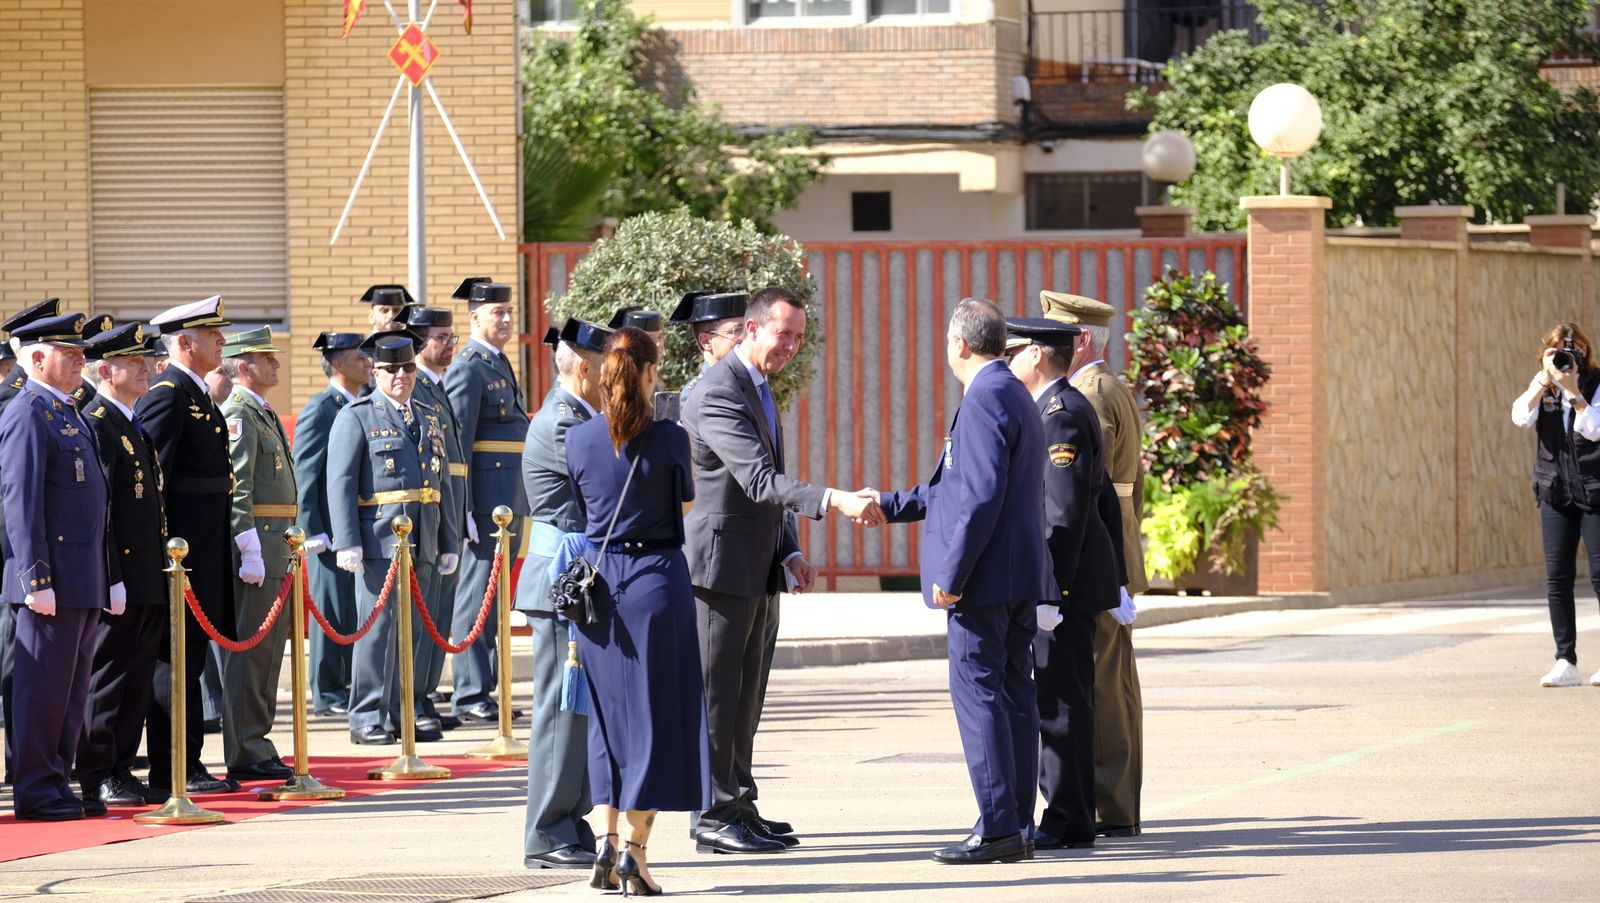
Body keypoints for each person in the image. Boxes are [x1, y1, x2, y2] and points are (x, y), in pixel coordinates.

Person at [680, 286, 882, 854]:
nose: (790, 346)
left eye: (798, 336)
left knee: (748, 693)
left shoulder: (759, 386)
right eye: (782, 334)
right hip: (719, 569)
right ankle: (713, 814)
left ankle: (739, 802)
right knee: (720, 695)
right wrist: (836, 500)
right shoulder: (718, 391)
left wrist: (790, 549)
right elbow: (758, 481)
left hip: (757, 563)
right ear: (750, 329)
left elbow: (768, 479)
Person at [872, 297, 1056, 864]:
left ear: (959, 344)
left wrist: (951, 575)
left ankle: (1000, 825)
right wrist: (885, 504)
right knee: (1015, 695)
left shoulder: (985, 398)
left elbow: (977, 500)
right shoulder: (1012, 392)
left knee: (981, 698)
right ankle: (1016, 823)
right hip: (1016, 574)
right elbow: (953, 489)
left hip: (984, 580)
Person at [566, 326, 712, 896]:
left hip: (599, 588)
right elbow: (687, 501)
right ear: (650, 374)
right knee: (653, 721)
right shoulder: (672, 437)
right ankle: (635, 854)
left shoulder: (577, 440)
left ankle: (603, 845)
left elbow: (583, 511)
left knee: (606, 719)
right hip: (655, 583)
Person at [1004, 317, 1126, 851]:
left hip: (1065, 585)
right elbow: (1103, 506)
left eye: (1012, 354)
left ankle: (1066, 816)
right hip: (1076, 580)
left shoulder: (1061, 415)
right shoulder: (1058, 409)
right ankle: (1071, 814)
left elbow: (1067, 514)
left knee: (1060, 703)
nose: (1007, 364)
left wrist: (1050, 591)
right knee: (1066, 698)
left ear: (1034, 355)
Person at [1, 311, 120, 820]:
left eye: (80, 352)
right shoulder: (27, 412)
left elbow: (98, 505)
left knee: (71, 695)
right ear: (35, 358)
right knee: (41, 694)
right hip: (49, 583)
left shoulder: (68, 412)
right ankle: (35, 788)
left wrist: (108, 574)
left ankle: (58, 779)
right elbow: (19, 501)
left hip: (82, 578)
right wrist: (34, 578)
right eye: (68, 353)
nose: (80, 360)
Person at [1040, 289, 1145, 838]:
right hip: (1114, 544)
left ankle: (1111, 803)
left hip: (1098, 549)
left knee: (1099, 683)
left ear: (1079, 341)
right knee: (1112, 679)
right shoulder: (1106, 387)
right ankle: (1117, 802)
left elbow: (1081, 491)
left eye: (1054, 336)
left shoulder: (1086, 394)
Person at [328, 334, 460, 745]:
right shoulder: (357, 415)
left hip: (424, 535)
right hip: (379, 539)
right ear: (376, 371)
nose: (401, 376)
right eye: (390, 369)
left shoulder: (427, 415)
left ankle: (402, 710)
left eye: (407, 368)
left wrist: (450, 539)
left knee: (415, 632)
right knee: (378, 630)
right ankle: (367, 714)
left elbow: (441, 483)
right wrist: (346, 540)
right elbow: (341, 482)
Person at [518, 317, 609, 871]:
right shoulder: (563, 420)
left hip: (578, 578)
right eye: (606, 367)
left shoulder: (581, 414)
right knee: (559, 710)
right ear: (584, 366)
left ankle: (570, 825)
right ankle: (546, 834)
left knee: (579, 712)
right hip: (563, 580)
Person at [138, 294, 238, 796]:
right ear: (184, 342)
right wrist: (163, 555)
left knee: (191, 662)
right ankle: (171, 768)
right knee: (173, 663)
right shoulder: (168, 394)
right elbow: (153, 484)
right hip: (180, 557)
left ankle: (188, 762)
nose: (223, 340)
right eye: (212, 334)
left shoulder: (196, 395)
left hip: (201, 550)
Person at [77, 322, 169, 808]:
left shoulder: (129, 420)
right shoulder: (96, 421)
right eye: (135, 362)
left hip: (147, 572)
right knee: (108, 678)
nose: (146, 368)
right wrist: (111, 574)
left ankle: (122, 768)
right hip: (121, 575)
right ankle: (95, 774)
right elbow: (104, 513)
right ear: (106, 370)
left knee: (136, 680)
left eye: (146, 360)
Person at [216, 326, 298, 783]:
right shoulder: (240, 414)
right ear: (244, 365)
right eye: (267, 358)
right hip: (259, 545)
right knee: (251, 653)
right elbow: (239, 488)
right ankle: (245, 748)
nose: (277, 364)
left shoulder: (259, 411)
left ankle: (257, 741)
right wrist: (246, 545)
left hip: (277, 542)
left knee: (268, 653)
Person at [445, 279, 526, 723]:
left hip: (506, 501)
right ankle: (470, 691)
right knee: (475, 598)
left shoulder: (497, 361)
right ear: (474, 317)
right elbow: (459, 445)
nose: (508, 319)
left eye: (510, 310)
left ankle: (484, 687)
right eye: (498, 312)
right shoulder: (469, 367)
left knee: (494, 598)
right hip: (484, 506)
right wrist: (464, 511)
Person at [1512, 322, 1600, 687]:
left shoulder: (1595, 384)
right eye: (1559, 351)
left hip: (1595, 491)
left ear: (1585, 352)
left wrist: (1574, 392)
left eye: (1574, 350)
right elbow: (1520, 416)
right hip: (1555, 489)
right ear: (1545, 354)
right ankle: (1565, 660)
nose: (1567, 357)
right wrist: (1543, 381)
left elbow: (1593, 429)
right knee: (1557, 578)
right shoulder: (1543, 384)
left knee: (1599, 576)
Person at [0, 297, 65, 783]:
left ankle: (31, 766)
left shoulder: (48, 401)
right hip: (15, 555)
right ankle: (27, 769)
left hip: (25, 552)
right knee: (19, 669)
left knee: (28, 672)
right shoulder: (19, 402)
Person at [294, 332, 370, 716]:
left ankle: (349, 683)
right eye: (359, 356)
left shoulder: (365, 404)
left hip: (356, 526)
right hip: (328, 530)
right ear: (338, 364)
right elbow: (306, 472)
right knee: (331, 610)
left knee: (353, 611)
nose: (368, 362)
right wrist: (311, 527)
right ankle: (327, 691)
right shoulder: (322, 408)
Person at [403, 307, 466, 733]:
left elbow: (454, 460)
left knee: (439, 614)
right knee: (423, 617)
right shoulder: (417, 387)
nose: (448, 345)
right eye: (440, 337)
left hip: (447, 511)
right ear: (420, 344)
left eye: (450, 336)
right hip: (426, 514)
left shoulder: (438, 387)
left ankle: (423, 695)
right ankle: (414, 699)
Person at [668, 292, 747, 406]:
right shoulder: (695, 396)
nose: (746, 337)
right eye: (737, 330)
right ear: (706, 341)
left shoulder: (752, 383)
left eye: (747, 329)